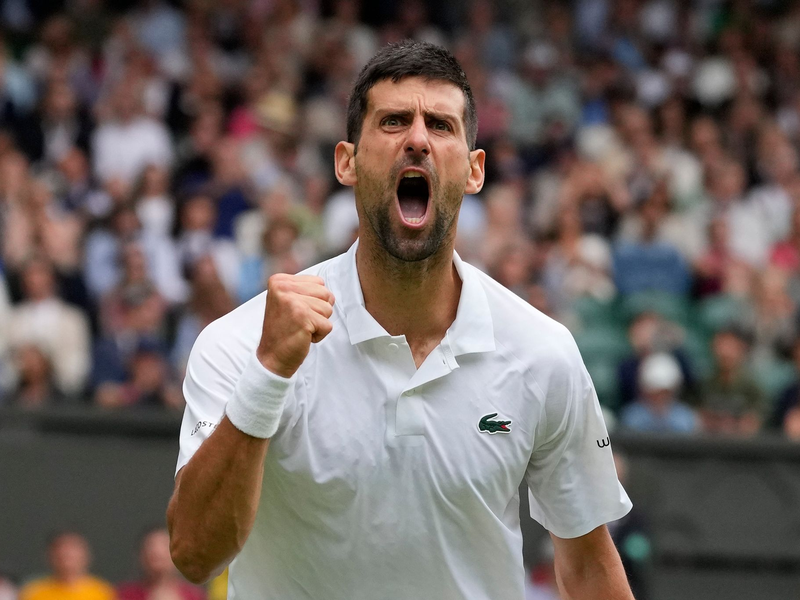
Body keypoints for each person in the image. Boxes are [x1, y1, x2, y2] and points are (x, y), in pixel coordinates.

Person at [168, 41, 633, 600]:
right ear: (347, 161)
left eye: (440, 125)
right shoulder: (243, 344)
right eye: (392, 122)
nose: (417, 139)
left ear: (474, 170)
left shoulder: (543, 351)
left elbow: (586, 567)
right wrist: (268, 376)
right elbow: (195, 553)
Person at [19, 532, 114, 600]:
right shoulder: (33, 592)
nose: (66, 554)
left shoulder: (102, 592)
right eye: (60, 549)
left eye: (73, 549)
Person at [117, 528, 205, 600]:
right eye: (150, 547)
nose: (157, 552)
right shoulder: (125, 595)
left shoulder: (194, 595)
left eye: (164, 546)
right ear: (141, 556)